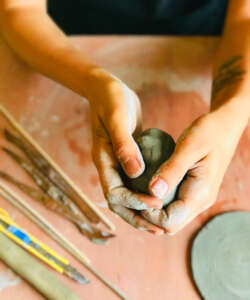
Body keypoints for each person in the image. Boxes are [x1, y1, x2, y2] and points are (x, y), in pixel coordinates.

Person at [0, 0, 249, 236]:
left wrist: (232, 115)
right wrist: (95, 84)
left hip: (209, 34)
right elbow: (20, 9)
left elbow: (245, 18)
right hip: (71, 34)